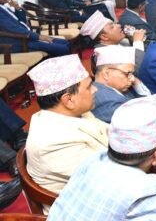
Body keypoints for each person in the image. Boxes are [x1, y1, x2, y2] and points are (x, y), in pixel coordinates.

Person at [25, 54, 108, 196]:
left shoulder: (73, 113)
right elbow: (108, 175)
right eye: (89, 87)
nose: (95, 90)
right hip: (88, 200)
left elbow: (108, 131)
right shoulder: (52, 143)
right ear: (69, 100)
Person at [0, 0, 70, 56]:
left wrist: (17, 7)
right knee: (63, 48)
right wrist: (38, 37)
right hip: (17, 42)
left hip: (27, 37)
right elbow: (13, 28)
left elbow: (22, 21)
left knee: (65, 42)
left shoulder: (4, 8)